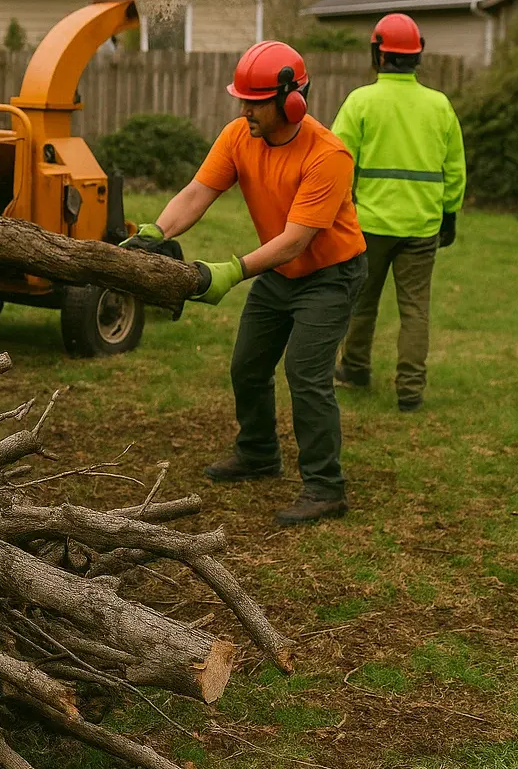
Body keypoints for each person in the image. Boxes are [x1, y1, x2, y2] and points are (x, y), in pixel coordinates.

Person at [122, 42, 367, 525]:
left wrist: (230, 271)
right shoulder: (238, 136)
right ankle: (258, 453)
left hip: (329, 276)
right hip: (280, 274)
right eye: (242, 99)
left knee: (305, 374)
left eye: (254, 101)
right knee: (248, 366)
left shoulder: (328, 155)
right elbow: (197, 192)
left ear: (290, 101)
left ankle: (325, 487)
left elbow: (296, 240)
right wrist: (158, 230)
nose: (243, 109)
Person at [331, 13, 466, 412]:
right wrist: (450, 214)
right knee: (415, 310)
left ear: (378, 52)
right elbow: (454, 168)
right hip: (423, 226)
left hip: (370, 225)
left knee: (361, 301)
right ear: (417, 54)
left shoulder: (361, 101)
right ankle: (410, 390)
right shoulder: (440, 106)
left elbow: (336, 161)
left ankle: (354, 370)